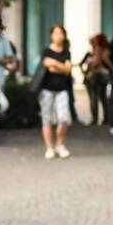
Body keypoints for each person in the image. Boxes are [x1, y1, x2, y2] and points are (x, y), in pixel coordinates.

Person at [39, 24, 74, 158]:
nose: (58, 36)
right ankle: (49, 147)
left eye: (61, 33)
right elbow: (50, 67)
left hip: (62, 90)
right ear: (51, 35)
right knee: (46, 119)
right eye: (56, 33)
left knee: (64, 118)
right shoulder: (46, 51)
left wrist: (55, 64)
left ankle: (60, 144)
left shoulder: (66, 52)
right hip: (46, 90)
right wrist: (62, 66)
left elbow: (67, 69)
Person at [80, 33, 112, 126]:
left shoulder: (98, 49)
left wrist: (89, 71)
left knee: (94, 98)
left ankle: (95, 119)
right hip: (101, 76)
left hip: (96, 76)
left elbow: (97, 62)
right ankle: (105, 118)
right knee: (103, 97)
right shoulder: (103, 50)